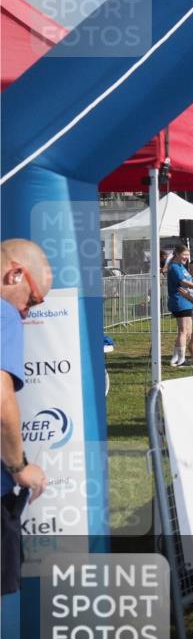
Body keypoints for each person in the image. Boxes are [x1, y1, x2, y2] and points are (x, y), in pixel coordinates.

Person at [1, 240, 51, 595]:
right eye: (32, 300)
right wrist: (19, 466)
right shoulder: (3, 312)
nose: (27, 312)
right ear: (15, 273)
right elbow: (1, 396)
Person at [166, 245, 193, 366]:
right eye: (184, 255)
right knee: (184, 331)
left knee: (187, 331)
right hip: (180, 301)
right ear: (177, 254)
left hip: (187, 301)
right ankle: (182, 359)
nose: (186, 257)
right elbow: (183, 282)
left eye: (187, 255)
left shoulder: (181, 266)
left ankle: (176, 357)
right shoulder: (174, 267)